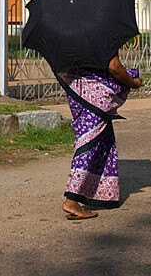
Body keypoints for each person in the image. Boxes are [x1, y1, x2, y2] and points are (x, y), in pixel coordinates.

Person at [57, 52, 143, 220]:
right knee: (88, 143)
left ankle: (102, 192)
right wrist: (133, 82)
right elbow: (114, 67)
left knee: (103, 141)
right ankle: (72, 200)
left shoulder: (72, 35)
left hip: (79, 91)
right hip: (95, 96)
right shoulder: (103, 32)